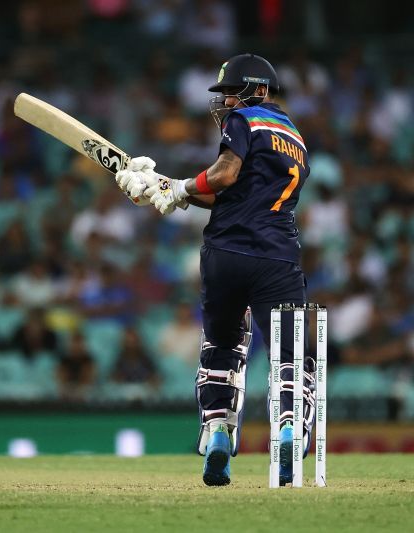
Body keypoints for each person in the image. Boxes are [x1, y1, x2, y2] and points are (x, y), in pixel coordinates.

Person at [115, 54, 311, 486]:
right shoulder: (294, 137)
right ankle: (288, 430)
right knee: (288, 355)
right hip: (277, 256)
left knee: (222, 346)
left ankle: (219, 430)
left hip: (225, 255)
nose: (224, 100)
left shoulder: (245, 120)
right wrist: (171, 189)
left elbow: (224, 176)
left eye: (230, 91)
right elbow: (235, 191)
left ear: (257, 89)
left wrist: (181, 187)